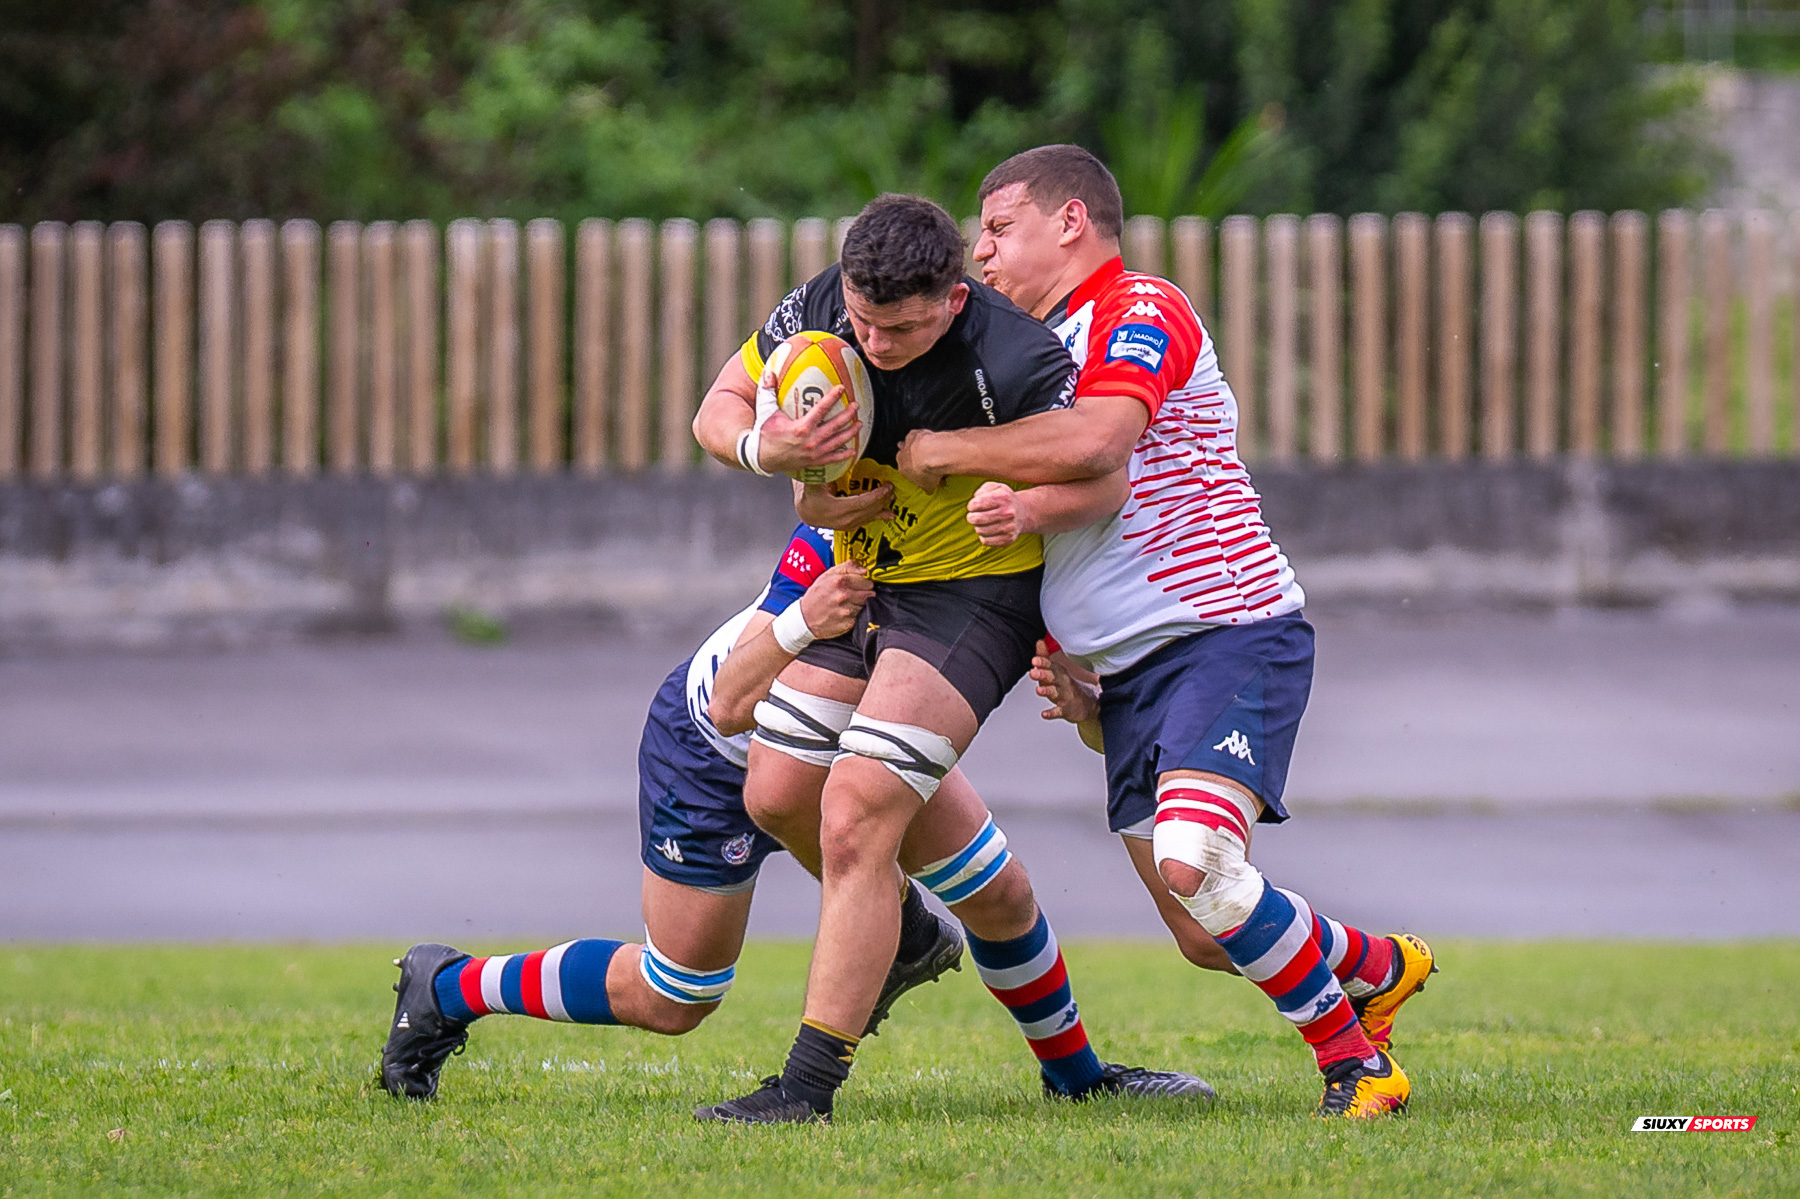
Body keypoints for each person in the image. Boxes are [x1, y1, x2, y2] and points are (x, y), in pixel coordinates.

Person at [894, 145, 1436, 1118]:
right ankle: (1378, 966)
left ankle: (1359, 1067)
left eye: (1000, 226)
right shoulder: (1036, 353)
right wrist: (1088, 685)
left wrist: (948, 450)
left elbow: (1103, 440)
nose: (983, 251)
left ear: (1071, 220)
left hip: (1225, 634)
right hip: (1131, 676)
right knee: (1202, 926)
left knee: (1200, 867)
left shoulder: (1141, 304)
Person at [688, 193, 1206, 1124]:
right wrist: (769, 449)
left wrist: (1011, 498)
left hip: (973, 599)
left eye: (900, 329)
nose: (874, 343)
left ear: (954, 299)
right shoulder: (825, 306)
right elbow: (717, 408)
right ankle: (950, 968)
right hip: (863, 578)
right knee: (778, 793)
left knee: (856, 811)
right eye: (863, 320)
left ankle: (806, 1088)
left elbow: (1103, 478)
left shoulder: (1016, 357)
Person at [379, 519, 970, 1100]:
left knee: (990, 883)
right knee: (676, 995)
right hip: (712, 757)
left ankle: (1035, 1068)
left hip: (826, 756)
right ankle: (449, 988)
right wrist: (803, 619)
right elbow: (728, 704)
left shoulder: (973, 552)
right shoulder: (840, 528)